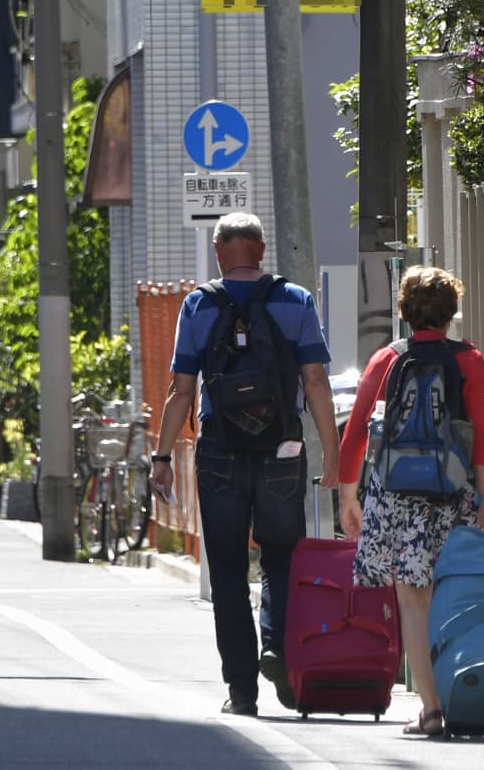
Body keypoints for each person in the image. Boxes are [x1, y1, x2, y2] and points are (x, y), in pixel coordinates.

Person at [150, 212, 340, 717]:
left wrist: (162, 457)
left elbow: (180, 391)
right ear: (260, 250)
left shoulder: (198, 305)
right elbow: (317, 383)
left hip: (219, 454)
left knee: (230, 572)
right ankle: (276, 646)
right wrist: (335, 456)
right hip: (283, 450)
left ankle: (241, 691)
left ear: (218, 252)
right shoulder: (294, 300)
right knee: (281, 557)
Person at [337, 265, 484, 738]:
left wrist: (350, 496)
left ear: (404, 310)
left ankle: (429, 710)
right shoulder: (470, 360)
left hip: (396, 494)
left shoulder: (386, 358)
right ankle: (460, 694)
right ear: (451, 312)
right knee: (455, 594)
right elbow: (483, 434)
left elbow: (356, 433)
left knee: (412, 601)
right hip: (451, 491)